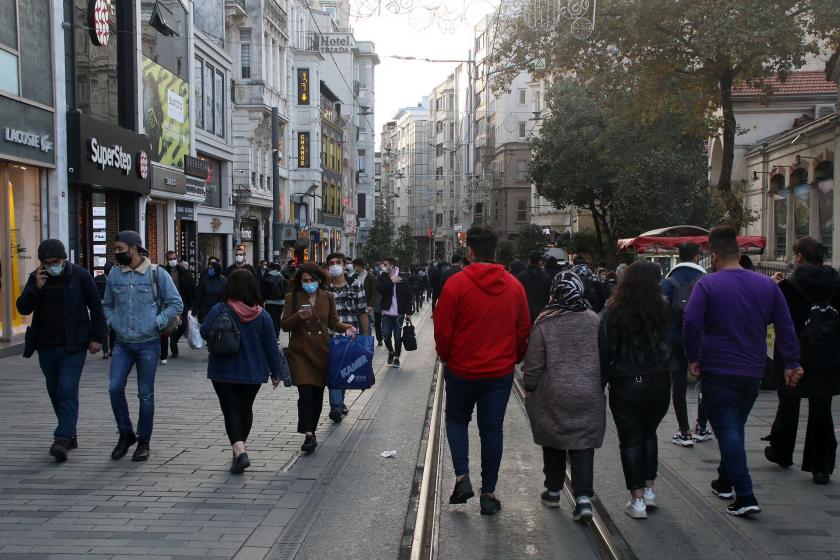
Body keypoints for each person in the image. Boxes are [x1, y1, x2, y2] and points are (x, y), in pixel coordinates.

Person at [683, 226, 803, 517]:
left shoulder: (707, 285)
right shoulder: (767, 286)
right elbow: (785, 325)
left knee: (728, 428)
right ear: (739, 252)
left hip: (718, 366)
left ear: (713, 254)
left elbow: (691, 322)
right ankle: (724, 481)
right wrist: (792, 362)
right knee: (733, 425)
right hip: (752, 368)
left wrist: (693, 357)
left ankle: (745, 494)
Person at [434, 225, 531, 516]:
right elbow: (523, 329)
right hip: (498, 373)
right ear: (496, 251)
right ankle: (488, 493)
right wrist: (514, 357)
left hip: (462, 369)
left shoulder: (456, 284)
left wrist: (447, 357)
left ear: (470, 251)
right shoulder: (515, 286)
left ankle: (462, 476)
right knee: (491, 431)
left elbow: (443, 329)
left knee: (456, 420)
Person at [522, 272, 604, 521]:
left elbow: (533, 365)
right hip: (588, 391)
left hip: (553, 393)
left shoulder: (545, 322)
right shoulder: (593, 320)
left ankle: (554, 490)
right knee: (583, 442)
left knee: (554, 439)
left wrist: (530, 386)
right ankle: (583, 498)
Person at [16, 239, 107, 462]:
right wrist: (35, 289)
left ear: (64, 258)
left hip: (74, 345)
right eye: (46, 263)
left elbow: (96, 306)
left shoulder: (80, 275)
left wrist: (98, 338)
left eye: (55, 261)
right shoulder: (37, 277)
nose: (51, 266)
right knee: (55, 391)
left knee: (67, 389)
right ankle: (70, 431)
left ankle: (62, 438)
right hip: (46, 344)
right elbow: (23, 307)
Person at [599, 260, 672, 520]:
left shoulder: (613, 309)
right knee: (648, 433)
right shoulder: (663, 307)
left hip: (627, 381)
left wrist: (603, 379)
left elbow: (604, 348)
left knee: (630, 439)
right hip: (658, 380)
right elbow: (671, 341)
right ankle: (650, 489)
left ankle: (637, 499)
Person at [103, 231, 183, 462]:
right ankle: (125, 433)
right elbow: (106, 304)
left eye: (120, 249)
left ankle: (144, 440)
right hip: (123, 343)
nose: (116, 253)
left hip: (148, 344)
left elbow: (175, 302)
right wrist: (113, 322)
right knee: (114, 387)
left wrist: (156, 322)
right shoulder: (115, 275)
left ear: (134, 249)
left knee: (145, 394)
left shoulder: (157, 273)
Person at [765, 237, 839, 484]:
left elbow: (772, 317)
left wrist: (773, 288)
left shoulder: (789, 285)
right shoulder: (836, 283)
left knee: (788, 403)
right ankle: (821, 466)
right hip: (828, 355)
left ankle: (782, 452)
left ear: (798, 257)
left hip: (793, 353)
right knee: (822, 408)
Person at [200, 270, 289, 474]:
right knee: (245, 409)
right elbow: (270, 346)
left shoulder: (220, 309)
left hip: (223, 371)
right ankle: (239, 448)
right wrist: (277, 373)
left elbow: (204, 332)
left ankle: (239, 451)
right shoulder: (262, 314)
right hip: (253, 371)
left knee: (230, 410)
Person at [281, 263, 357, 454]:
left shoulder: (327, 296)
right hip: (300, 352)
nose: (308, 284)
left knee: (316, 395)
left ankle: (311, 429)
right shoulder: (293, 297)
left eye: (312, 280)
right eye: (304, 280)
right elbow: (284, 325)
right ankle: (308, 434)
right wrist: (298, 316)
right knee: (305, 393)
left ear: (319, 280)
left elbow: (333, 321)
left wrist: (347, 327)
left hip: (321, 352)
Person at [659, 242, 710, 447]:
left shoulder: (668, 281)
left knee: (678, 385)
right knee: (704, 383)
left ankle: (683, 431)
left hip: (675, 338)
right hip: (701, 339)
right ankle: (701, 427)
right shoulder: (706, 280)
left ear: (678, 256)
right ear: (697, 256)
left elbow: (661, 313)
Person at [325, 252, 369, 422]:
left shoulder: (356, 285)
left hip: (350, 336)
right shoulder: (324, 288)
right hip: (330, 336)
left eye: (338, 262)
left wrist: (365, 338)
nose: (335, 265)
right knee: (334, 369)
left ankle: (339, 402)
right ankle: (335, 405)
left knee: (343, 371)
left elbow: (362, 312)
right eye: (331, 263)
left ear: (344, 265)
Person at [376, 257, 414, 369]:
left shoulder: (402, 277)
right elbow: (380, 289)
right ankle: (391, 352)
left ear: (392, 266)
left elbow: (408, 295)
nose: (383, 266)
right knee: (386, 335)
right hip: (387, 312)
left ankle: (397, 358)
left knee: (397, 337)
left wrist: (409, 312)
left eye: (385, 264)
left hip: (399, 313)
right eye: (383, 264)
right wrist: (391, 282)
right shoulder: (382, 277)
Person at [160, 250, 194, 363]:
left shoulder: (183, 271)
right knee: (170, 326)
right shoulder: (163, 271)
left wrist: (190, 305)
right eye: (170, 259)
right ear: (167, 260)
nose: (172, 261)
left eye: (174, 258)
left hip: (182, 302)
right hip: (168, 303)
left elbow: (190, 288)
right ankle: (173, 349)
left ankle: (174, 341)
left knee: (183, 325)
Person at [517, 252, 552, 324]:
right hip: (542, 314)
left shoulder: (521, 276)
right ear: (540, 262)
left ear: (529, 260)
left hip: (526, 313)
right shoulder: (546, 277)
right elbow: (549, 296)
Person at [95, 263, 117, 358]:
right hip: (104, 306)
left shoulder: (100, 279)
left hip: (112, 306)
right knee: (107, 329)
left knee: (111, 329)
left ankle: (110, 349)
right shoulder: (113, 278)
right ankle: (107, 350)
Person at [195, 257, 226, 324]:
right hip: (205, 312)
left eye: (211, 268)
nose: (209, 270)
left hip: (218, 312)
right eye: (209, 268)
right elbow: (199, 295)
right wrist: (195, 310)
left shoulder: (223, 281)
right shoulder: (204, 279)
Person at [262, 262, 288, 338]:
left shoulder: (267, 277)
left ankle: (274, 335)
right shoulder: (282, 278)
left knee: (272, 319)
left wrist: (263, 299)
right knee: (278, 318)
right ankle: (277, 335)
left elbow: (263, 290)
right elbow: (286, 290)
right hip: (281, 302)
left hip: (269, 302)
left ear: (270, 268)